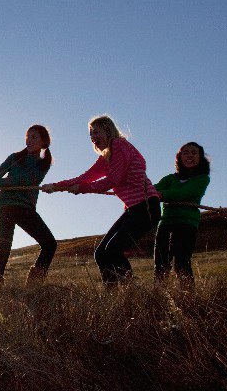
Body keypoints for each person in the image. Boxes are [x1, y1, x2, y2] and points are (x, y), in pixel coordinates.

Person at [42, 115, 160, 286]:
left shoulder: (119, 145)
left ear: (108, 130)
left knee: (113, 250)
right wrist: (55, 186)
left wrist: (82, 189)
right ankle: (112, 294)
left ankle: (131, 290)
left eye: (96, 132)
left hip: (146, 207)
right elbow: (85, 177)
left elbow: (114, 180)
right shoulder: (106, 157)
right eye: (90, 134)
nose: (93, 137)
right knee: (100, 254)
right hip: (133, 209)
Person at [0, 124, 56, 287]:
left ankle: (34, 284)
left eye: (34, 137)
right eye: (28, 137)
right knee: (4, 247)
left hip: (24, 209)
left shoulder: (43, 164)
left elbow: (25, 180)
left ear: (43, 141)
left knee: (49, 244)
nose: (29, 140)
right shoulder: (15, 157)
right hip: (5, 207)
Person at [153, 142, 211, 286]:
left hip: (186, 224)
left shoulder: (202, 179)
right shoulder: (169, 179)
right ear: (179, 157)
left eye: (194, 153)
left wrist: (161, 195)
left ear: (200, 157)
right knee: (160, 263)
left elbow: (185, 193)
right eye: (185, 153)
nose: (189, 156)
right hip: (165, 223)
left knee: (181, 262)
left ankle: (188, 297)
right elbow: (153, 190)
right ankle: (159, 296)